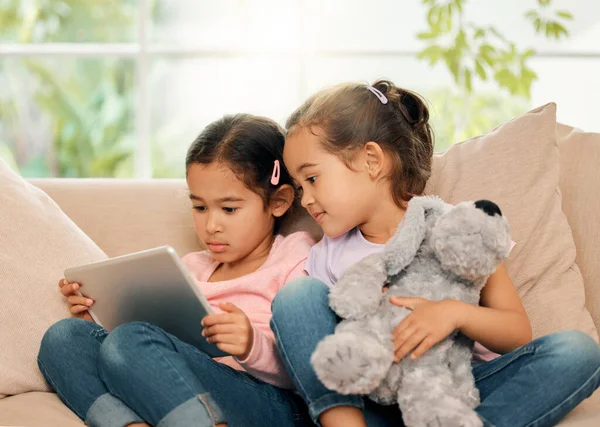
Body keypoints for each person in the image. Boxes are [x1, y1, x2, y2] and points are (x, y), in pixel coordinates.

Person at [270, 79, 600, 427]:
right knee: (296, 297)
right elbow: (325, 346)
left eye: (313, 179)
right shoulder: (326, 256)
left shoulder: (460, 229)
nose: (305, 199)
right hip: (375, 402)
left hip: (456, 392)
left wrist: (453, 314)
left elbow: (517, 332)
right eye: (299, 185)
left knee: (578, 351)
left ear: (371, 160)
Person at [38, 114, 314, 427]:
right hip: (178, 388)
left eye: (229, 209)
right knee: (64, 338)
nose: (211, 226)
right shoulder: (188, 268)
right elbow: (142, 350)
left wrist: (253, 345)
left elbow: (310, 369)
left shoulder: (295, 257)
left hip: (268, 400)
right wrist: (99, 314)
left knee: (130, 339)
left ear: (279, 202)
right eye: (199, 207)